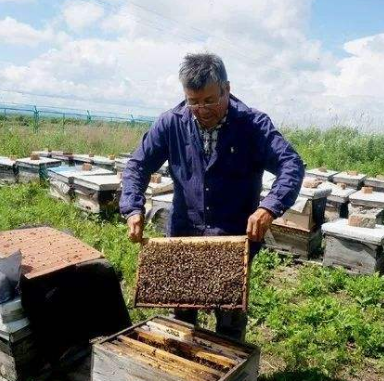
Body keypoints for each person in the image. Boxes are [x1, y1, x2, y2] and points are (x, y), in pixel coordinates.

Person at [120, 52, 304, 341]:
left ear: (226, 89)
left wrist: (269, 207)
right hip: (184, 234)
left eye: (209, 100)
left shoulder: (253, 124)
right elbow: (138, 165)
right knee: (180, 318)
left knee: (229, 323)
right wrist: (132, 208)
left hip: (233, 237)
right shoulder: (171, 123)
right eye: (193, 101)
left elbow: (291, 164)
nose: (201, 109)